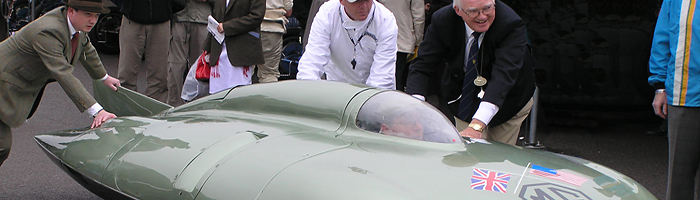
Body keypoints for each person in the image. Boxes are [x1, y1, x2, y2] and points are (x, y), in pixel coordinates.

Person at [0, 0, 121, 167]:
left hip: (10, 84)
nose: (93, 20)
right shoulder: (48, 31)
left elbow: (86, 49)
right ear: (71, 11)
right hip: (3, 83)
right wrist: (97, 111)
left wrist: (103, 77)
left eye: (96, 15)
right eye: (88, 14)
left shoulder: (74, 25)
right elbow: (63, 73)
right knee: (1, 146)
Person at [405, 0, 536, 145]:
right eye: (473, 11)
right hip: (464, 95)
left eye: (487, 8)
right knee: (469, 154)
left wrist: (477, 125)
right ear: (457, 10)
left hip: (510, 98)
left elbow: (503, 77)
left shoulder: (511, 23)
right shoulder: (442, 20)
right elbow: (422, 67)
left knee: (496, 158)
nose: (482, 16)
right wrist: (414, 111)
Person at [648, 0, 700, 199]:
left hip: (685, 94)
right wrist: (660, 86)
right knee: (679, 177)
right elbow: (662, 38)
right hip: (684, 95)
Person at [296, 0, 398, 89]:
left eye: (367, 0)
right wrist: (308, 93)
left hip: (374, 93)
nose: (363, 6)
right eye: (356, 1)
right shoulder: (327, 14)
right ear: (341, 1)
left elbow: (381, 78)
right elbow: (311, 62)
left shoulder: (386, 20)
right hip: (337, 88)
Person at [118, 0, 180, 103]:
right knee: (126, 75)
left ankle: (153, 113)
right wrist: (126, 6)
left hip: (161, 20)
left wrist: (170, 6)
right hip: (132, 19)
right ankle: (127, 111)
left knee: (159, 78)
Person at [203, 0, 265, 94]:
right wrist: (208, 45)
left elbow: (256, 16)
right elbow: (216, 17)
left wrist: (227, 27)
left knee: (238, 93)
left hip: (240, 50)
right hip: (218, 49)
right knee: (216, 94)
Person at [166, 0, 214, 106]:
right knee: (175, 66)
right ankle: (174, 105)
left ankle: (198, 105)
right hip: (178, 16)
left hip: (203, 17)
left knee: (201, 67)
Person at [377, 0, 424, 91]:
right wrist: (418, 41)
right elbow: (418, 15)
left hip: (380, 36)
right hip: (403, 39)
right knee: (399, 79)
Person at [258, 0, 293, 83]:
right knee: (269, 74)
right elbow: (288, 11)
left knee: (245, 72)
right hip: (273, 28)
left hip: (249, 27)